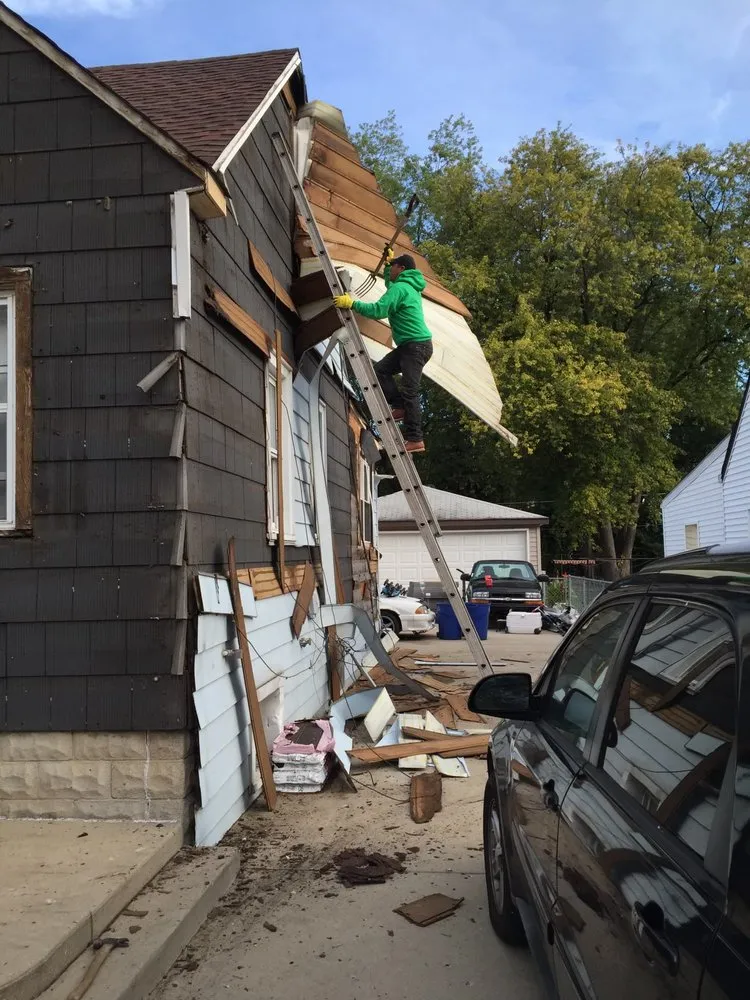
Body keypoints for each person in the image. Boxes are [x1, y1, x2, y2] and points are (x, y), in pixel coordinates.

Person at [333, 251, 433, 453]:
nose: (392, 270)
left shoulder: (401, 288)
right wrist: (388, 266)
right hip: (412, 346)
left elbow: (378, 310)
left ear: (402, 269)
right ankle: (400, 406)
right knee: (380, 371)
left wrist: (352, 304)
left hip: (414, 346)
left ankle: (415, 438)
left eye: (394, 266)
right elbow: (390, 287)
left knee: (410, 391)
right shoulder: (409, 287)